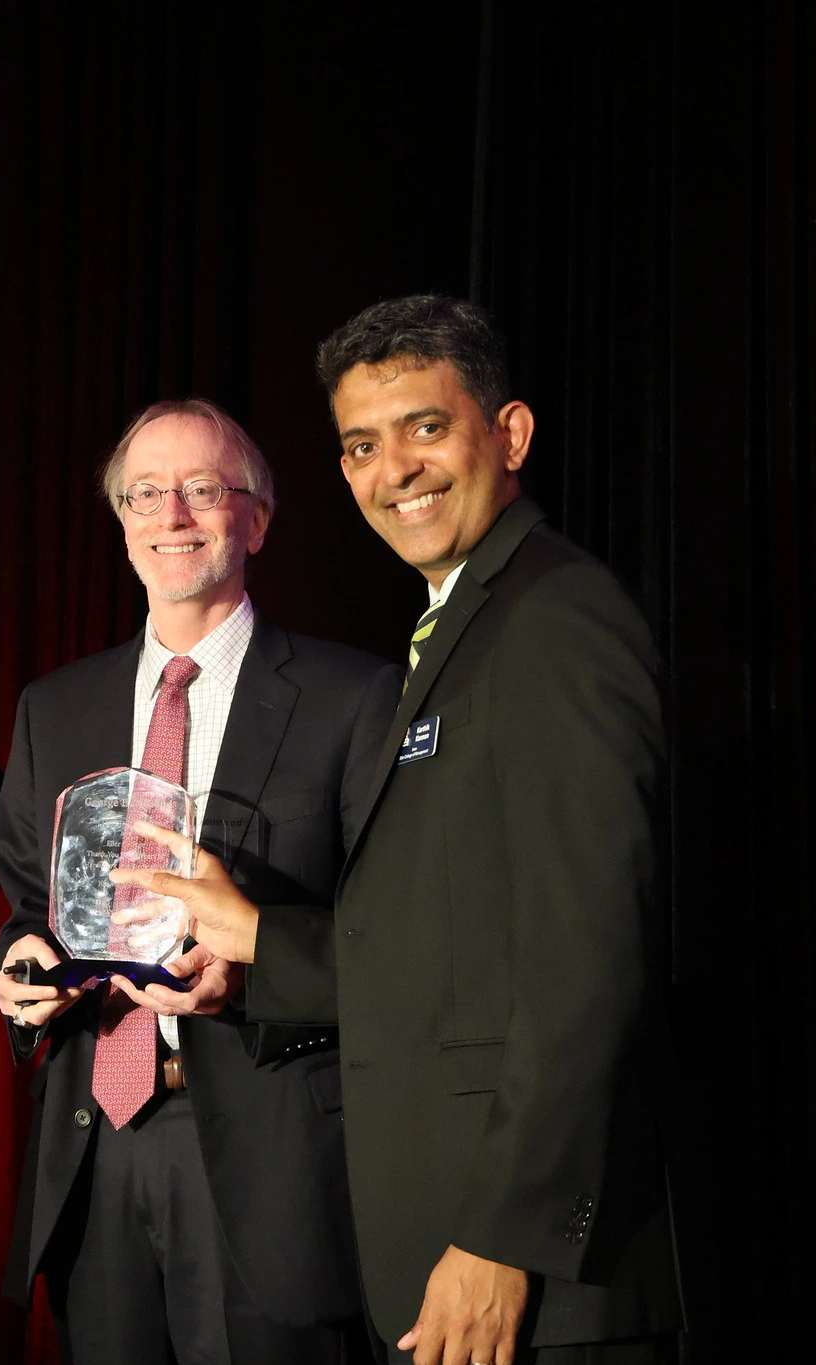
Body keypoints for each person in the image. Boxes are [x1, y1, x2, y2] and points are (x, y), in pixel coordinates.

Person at [130, 296, 682, 1365]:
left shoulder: (557, 620)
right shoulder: (461, 626)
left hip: (532, 1280)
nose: (396, 470)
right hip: (447, 1256)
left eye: (426, 427)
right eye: (361, 445)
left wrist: (504, 1237)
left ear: (508, 434)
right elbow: (452, 948)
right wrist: (259, 938)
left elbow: (588, 958)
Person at [0, 398, 401, 1364]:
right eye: (145, 493)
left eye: (203, 489)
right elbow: (28, 901)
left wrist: (252, 971)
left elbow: (393, 936)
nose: (171, 514)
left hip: (269, 1158)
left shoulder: (352, 698)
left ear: (257, 518)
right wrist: (27, 966)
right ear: (122, 519)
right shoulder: (55, 706)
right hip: (97, 1145)